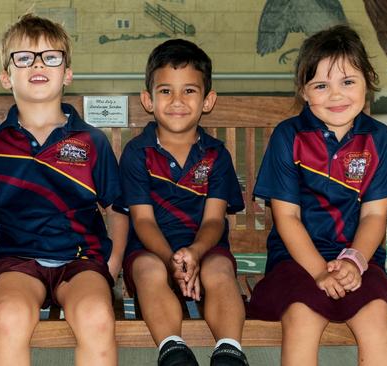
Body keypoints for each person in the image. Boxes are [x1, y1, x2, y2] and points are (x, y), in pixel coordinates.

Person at [0, 14, 128, 366]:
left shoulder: (91, 141)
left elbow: (116, 208)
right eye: (24, 57)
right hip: (17, 261)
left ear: (67, 73)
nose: (37, 64)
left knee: (96, 317)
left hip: (81, 259)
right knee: (9, 317)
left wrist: (112, 264)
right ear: (5, 76)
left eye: (50, 57)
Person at [249, 25, 387, 366]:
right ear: (304, 93)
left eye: (347, 82)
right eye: (321, 85)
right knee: (302, 318)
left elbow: (374, 216)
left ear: (368, 81)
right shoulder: (288, 137)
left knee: (376, 318)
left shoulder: (379, 139)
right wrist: (320, 271)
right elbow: (287, 218)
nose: (336, 96)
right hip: (297, 261)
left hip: (360, 260)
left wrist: (353, 261)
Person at [119, 39, 248, 366]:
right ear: (148, 100)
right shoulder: (137, 153)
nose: (177, 101)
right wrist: (172, 260)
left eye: (189, 91)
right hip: (151, 249)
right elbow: (143, 222)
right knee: (148, 270)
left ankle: (230, 352)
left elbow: (214, 221)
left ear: (208, 100)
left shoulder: (216, 155)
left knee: (220, 269)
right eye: (166, 91)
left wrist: (195, 253)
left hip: (205, 248)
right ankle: (173, 350)